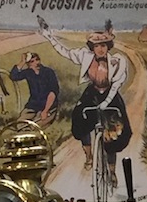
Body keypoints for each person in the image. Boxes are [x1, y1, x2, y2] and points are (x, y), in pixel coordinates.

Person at [38, 16, 132, 177]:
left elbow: (116, 85)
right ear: (92, 47)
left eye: (103, 45)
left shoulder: (118, 61)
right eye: (96, 46)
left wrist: (107, 102)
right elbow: (65, 52)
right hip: (93, 92)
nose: (100, 49)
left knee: (114, 132)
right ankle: (89, 156)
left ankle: (112, 172)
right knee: (79, 117)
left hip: (111, 93)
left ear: (108, 46)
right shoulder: (84, 56)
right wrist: (49, 36)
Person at [7, 51, 60, 124]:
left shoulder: (48, 72)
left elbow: (53, 92)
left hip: (48, 106)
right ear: (28, 64)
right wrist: (22, 62)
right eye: (32, 61)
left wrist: (45, 110)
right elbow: (13, 76)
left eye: (37, 60)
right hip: (33, 105)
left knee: (37, 126)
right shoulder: (28, 73)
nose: (36, 62)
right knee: (20, 124)